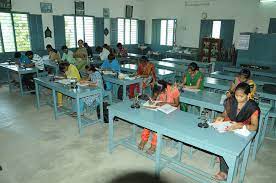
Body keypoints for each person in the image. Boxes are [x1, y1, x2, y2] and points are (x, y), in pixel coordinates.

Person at [213, 82, 260, 181]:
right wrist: (220, 117)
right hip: (229, 126)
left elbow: (254, 127)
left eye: (241, 96)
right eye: (236, 95)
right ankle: (222, 156)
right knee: (216, 135)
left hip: (243, 131)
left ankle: (224, 171)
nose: (238, 98)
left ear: (248, 96)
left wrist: (241, 125)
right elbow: (224, 114)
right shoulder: (231, 101)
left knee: (226, 143)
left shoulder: (252, 107)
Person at [138, 80, 180, 154]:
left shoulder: (174, 89)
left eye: (160, 93)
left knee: (158, 125)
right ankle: (144, 139)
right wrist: (152, 101)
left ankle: (154, 145)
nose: (158, 94)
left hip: (172, 112)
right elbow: (154, 98)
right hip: (161, 110)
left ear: (164, 89)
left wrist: (165, 103)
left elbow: (176, 104)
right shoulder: (157, 88)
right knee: (149, 120)